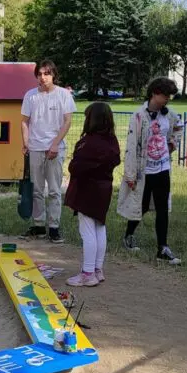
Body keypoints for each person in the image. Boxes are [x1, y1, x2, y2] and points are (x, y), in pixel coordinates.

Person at [118, 77, 184, 265]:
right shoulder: (139, 116)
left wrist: (172, 144)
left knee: (162, 209)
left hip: (163, 168)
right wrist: (130, 173)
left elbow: (178, 128)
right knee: (142, 205)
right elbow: (132, 146)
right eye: (165, 95)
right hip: (144, 171)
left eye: (170, 96)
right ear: (154, 93)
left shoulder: (169, 114)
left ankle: (163, 247)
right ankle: (129, 235)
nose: (168, 99)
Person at [63, 102, 121, 287]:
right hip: (104, 190)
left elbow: (75, 167)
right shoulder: (112, 141)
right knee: (99, 227)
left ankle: (87, 274)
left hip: (87, 192)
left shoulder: (88, 142)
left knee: (87, 232)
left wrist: (74, 165)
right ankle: (97, 269)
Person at [20, 60, 76, 244]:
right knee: (36, 189)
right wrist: (25, 143)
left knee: (54, 190)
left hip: (55, 149)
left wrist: (55, 145)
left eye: (47, 73)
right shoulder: (30, 95)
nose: (43, 77)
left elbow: (67, 121)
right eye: (40, 74)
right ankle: (38, 225)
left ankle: (54, 227)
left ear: (53, 75)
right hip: (35, 147)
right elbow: (24, 121)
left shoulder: (63, 95)